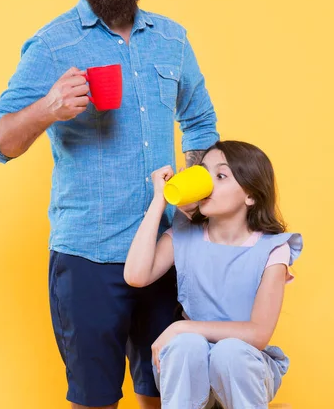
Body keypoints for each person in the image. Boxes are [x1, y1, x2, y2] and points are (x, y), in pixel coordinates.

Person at [0, 0, 219, 409]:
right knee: (95, 400)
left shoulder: (172, 39)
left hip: (165, 249)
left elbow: (200, 121)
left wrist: (195, 197)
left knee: (170, 393)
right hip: (88, 254)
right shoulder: (52, 45)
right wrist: (47, 108)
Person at [124, 140, 303, 409]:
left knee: (229, 352)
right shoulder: (185, 235)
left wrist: (182, 326)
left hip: (244, 365)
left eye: (220, 176)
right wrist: (160, 200)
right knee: (186, 346)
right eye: (205, 174)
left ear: (250, 196)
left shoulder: (271, 250)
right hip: (188, 364)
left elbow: (258, 334)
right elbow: (136, 275)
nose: (208, 184)